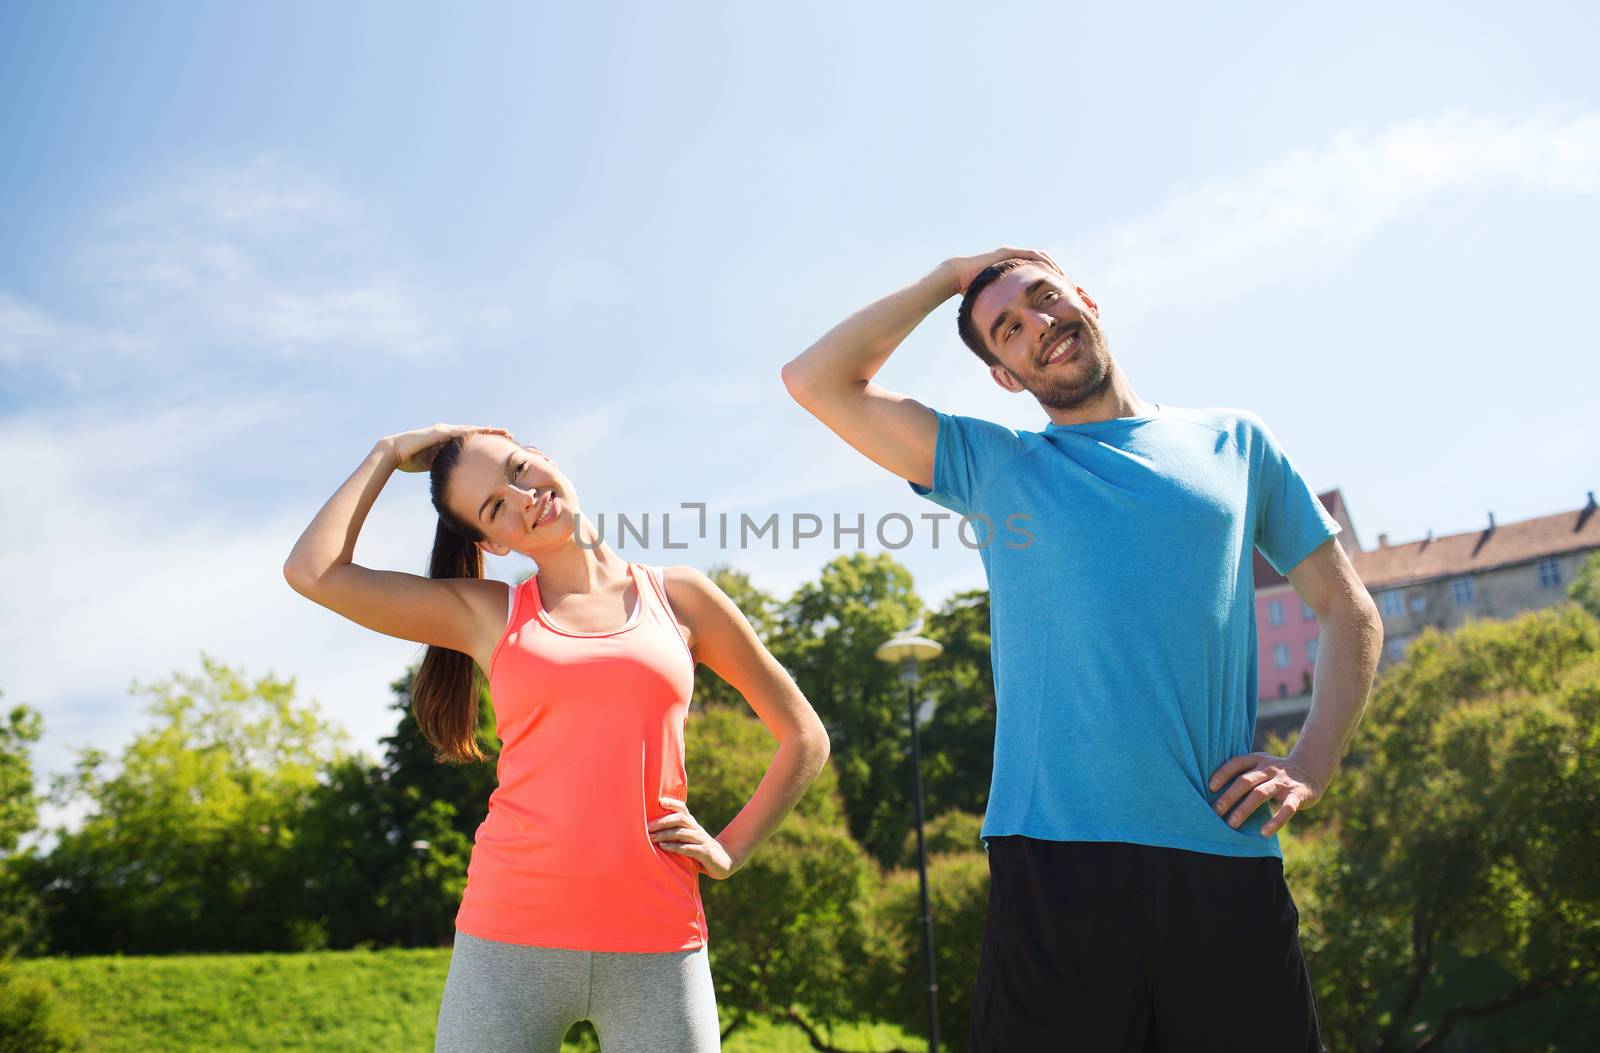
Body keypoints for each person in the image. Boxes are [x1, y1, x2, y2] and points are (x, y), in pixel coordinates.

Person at [781, 248, 1383, 1051]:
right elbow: (815, 380)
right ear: (1004, 374)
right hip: (1053, 871)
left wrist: (1310, 763)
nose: (1038, 326)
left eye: (1044, 298)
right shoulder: (996, 466)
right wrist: (945, 280)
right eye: (1009, 329)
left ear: (1085, 299)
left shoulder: (1236, 442)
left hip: (1223, 860)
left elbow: (1349, 611)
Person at [283, 423, 830, 1053]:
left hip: (658, 939)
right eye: (495, 507)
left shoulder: (680, 597)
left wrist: (731, 849)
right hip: (508, 940)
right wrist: (385, 453)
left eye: (519, 469)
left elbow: (803, 735)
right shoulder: (488, 612)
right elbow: (313, 571)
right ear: (491, 540)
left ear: (543, 457)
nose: (522, 497)